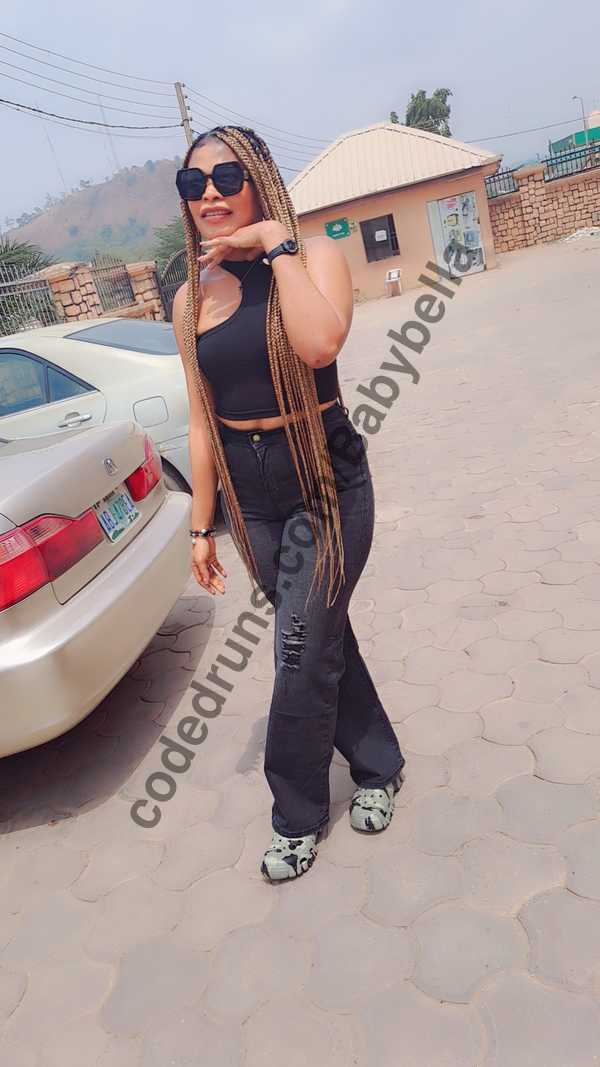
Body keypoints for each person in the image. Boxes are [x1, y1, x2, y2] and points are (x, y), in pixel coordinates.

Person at [172, 124, 405, 883]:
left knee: (298, 649)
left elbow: (318, 346)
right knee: (321, 632)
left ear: (259, 179)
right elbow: (200, 420)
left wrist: (275, 244)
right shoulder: (189, 298)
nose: (209, 194)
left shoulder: (313, 257)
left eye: (226, 177)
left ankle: (297, 816)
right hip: (251, 490)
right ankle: (379, 765)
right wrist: (201, 526)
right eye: (193, 183)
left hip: (322, 474)